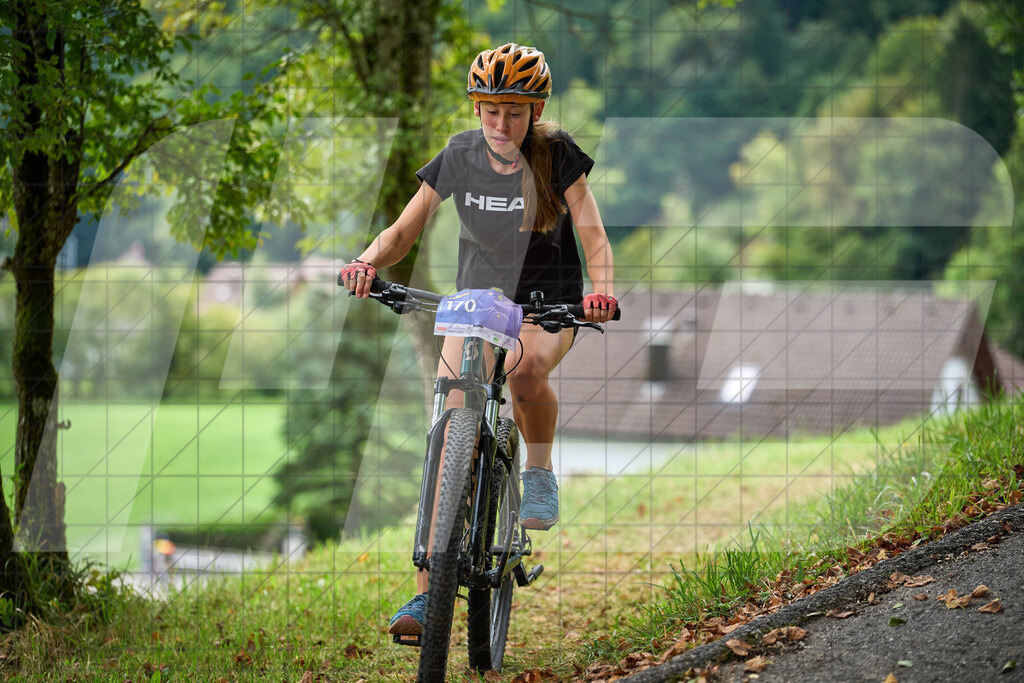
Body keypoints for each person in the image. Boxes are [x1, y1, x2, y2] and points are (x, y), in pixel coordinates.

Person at [338, 43, 617, 636]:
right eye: (490, 110)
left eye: (514, 111)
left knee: (524, 372)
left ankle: (537, 472)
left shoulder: (558, 156)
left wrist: (602, 290)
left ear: (535, 111)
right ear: (476, 107)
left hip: (549, 301)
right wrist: (365, 262)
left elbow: (592, 233)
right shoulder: (461, 154)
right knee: (449, 417)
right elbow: (403, 230)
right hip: (478, 300)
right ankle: (423, 595)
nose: (501, 124)